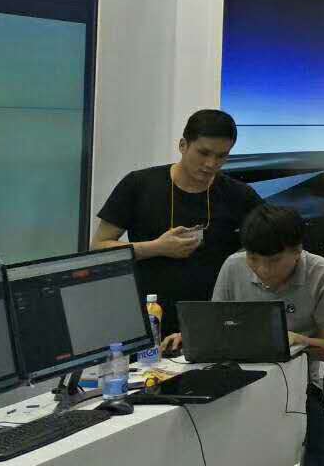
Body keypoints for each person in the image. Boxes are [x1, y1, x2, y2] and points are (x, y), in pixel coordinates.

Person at [163, 204, 324, 466]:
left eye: (273, 261)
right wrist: (190, 337)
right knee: (197, 464)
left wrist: (300, 340)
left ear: (297, 251)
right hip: (234, 385)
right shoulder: (233, 267)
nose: (262, 269)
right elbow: (216, 327)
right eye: (254, 259)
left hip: (294, 392)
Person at [93, 109, 260, 333]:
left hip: (212, 322)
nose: (211, 163)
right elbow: (98, 249)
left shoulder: (239, 195)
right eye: (203, 153)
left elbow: (273, 241)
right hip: (148, 318)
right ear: (183, 145)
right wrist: (156, 247)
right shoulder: (139, 185)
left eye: (221, 156)